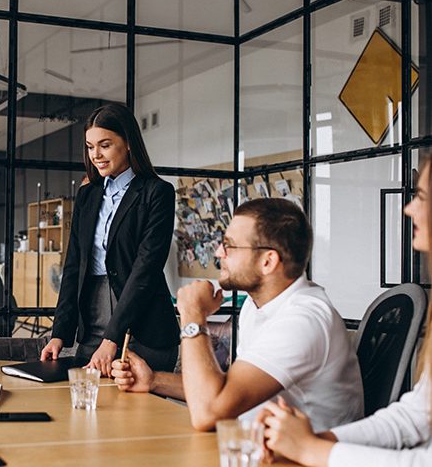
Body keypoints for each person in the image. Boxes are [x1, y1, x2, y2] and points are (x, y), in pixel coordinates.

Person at [112, 198, 364, 432]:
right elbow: (225, 391)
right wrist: (154, 380)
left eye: (230, 246)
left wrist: (192, 316)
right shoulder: (256, 306)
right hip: (257, 449)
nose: (219, 253)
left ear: (268, 261)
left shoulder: (303, 320)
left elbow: (208, 413)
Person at [259, 154, 432, 466]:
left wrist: (313, 450)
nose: (408, 208)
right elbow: (415, 417)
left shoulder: (307, 314)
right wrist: (310, 441)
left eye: (420, 196)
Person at [40, 103, 180, 375]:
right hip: (93, 321)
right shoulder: (87, 195)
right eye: (90, 147)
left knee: (134, 415)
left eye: (105, 145)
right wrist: (59, 333)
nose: (96, 155)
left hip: (145, 327)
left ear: (128, 143)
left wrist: (112, 338)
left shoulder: (157, 193)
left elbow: (146, 270)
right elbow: (73, 267)